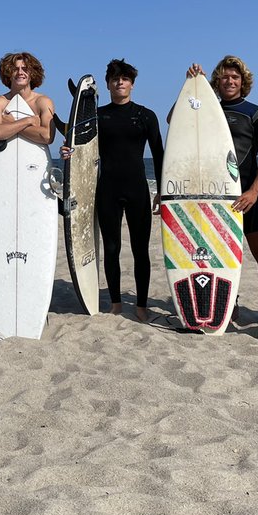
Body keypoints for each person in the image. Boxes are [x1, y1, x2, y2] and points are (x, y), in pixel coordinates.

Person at [185, 56, 258, 274]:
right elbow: (175, 119)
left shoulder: (257, 114)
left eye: (235, 77)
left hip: (248, 197)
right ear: (217, 81)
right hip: (215, 196)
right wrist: (193, 86)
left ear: (243, 82)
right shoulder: (205, 109)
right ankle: (229, 306)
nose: (230, 81)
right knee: (218, 257)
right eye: (224, 77)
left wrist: (254, 192)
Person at [89, 59, 164, 321]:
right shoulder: (98, 116)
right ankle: (116, 302)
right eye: (114, 78)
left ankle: (141, 305)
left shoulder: (146, 115)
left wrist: (162, 190)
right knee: (111, 249)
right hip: (107, 188)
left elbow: (159, 154)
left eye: (124, 78)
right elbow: (79, 146)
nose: (120, 82)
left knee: (140, 249)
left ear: (132, 83)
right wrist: (66, 150)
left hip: (137, 190)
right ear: (108, 84)